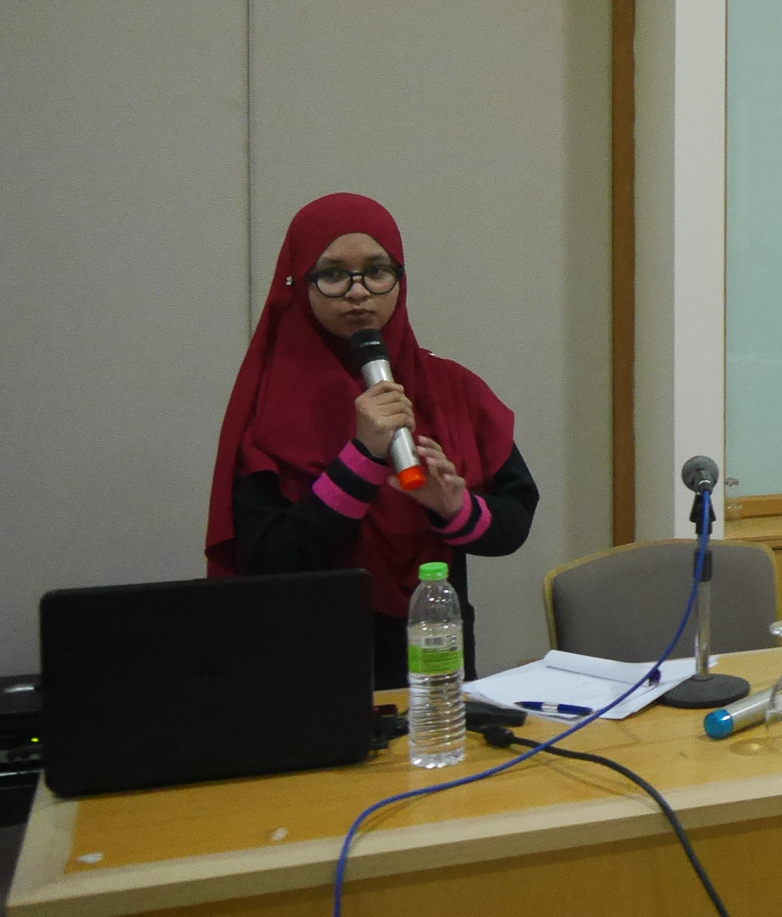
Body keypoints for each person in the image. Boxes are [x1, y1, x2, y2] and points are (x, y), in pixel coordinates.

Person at [206, 193, 536, 688]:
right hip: (311, 667)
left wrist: (453, 506)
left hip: (433, 667)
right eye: (333, 274)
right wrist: (360, 458)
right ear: (298, 283)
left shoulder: (452, 391)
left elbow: (513, 523)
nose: (358, 292)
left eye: (377, 272)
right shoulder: (268, 409)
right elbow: (268, 561)